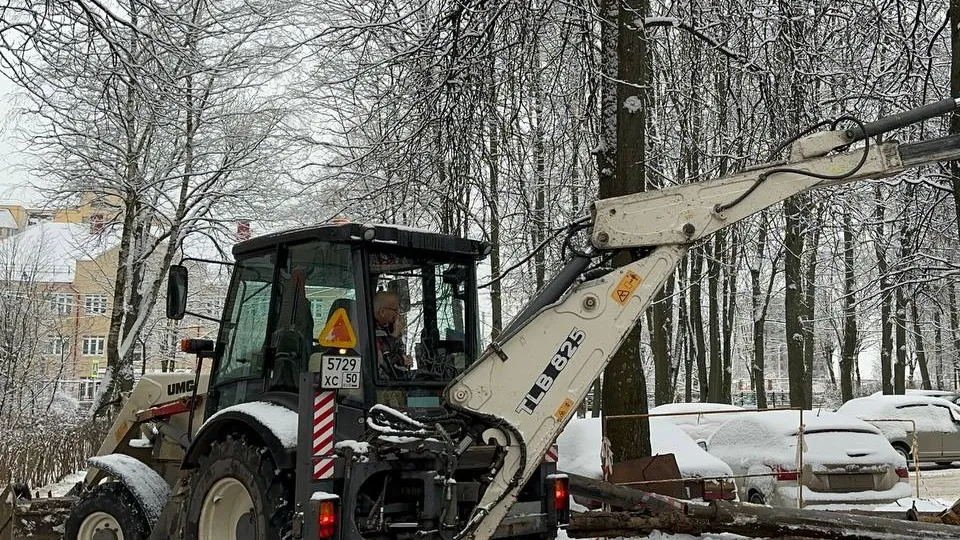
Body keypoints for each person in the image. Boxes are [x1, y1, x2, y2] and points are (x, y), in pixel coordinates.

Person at [373, 290, 413, 375]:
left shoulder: (388, 328)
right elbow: (386, 366)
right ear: (382, 312)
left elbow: (396, 362)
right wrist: (395, 335)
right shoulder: (369, 333)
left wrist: (404, 360)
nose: (398, 313)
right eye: (395, 310)